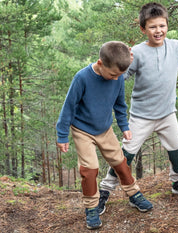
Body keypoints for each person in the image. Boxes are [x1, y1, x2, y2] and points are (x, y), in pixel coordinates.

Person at [97, 2, 178, 215]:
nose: (158, 31)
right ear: (143, 29)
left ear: (167, 25)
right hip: (141, 116)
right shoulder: (137, 53)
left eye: (162, 26)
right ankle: (105, 191)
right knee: (125, 156)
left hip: (168, 114)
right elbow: (121, 77)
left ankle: (177, 183)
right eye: (152, 27)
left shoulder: (176, 47)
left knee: (177, 151)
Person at [56, 41, 153, 230]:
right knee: (89, 169)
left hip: (105, 129)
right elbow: (68, 107)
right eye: (113, 74)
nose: (117, 78)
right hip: (82, 130)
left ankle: (133, 194)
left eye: (120, 75)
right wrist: (62, 135)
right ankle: (91, 207)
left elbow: (119, 104)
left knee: (120, 163)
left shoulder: (117, 78)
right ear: (100, 63)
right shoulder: (82, 78)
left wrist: (124, 126)